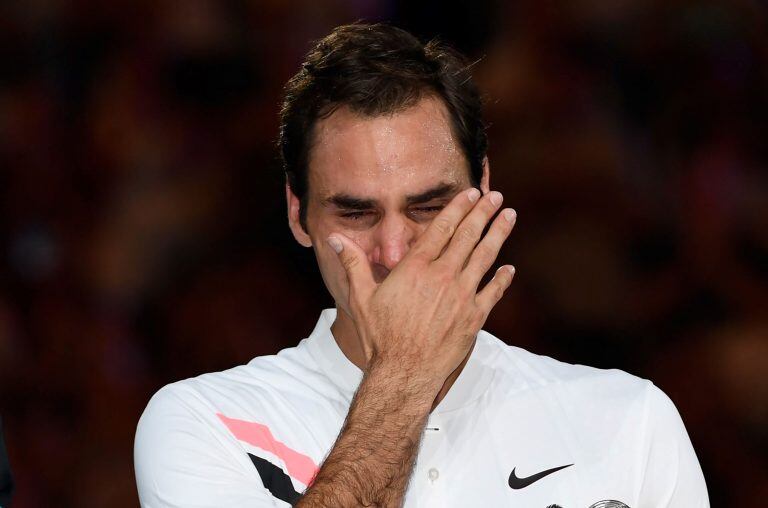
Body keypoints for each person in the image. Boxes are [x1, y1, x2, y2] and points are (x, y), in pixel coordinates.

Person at [134, 22, 709, 507]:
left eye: (428, 207)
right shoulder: (204, 423)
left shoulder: (631, 423)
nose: (394, 251)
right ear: (297, 214)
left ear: (482, 189)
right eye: (357, 214)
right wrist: (405, 371)